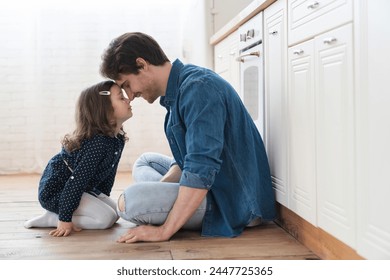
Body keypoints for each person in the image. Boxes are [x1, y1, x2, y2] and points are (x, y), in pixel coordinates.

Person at [99, 32, 276, 243]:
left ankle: (170, 210)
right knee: (145, 162)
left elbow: (200, 168)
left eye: (127, 84)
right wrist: (158, 191)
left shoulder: (198, 89)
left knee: (129, 202)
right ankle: (169, 203)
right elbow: (186, 162)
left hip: (231, 200)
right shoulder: (180, 89)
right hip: (215, 183)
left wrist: (163, 231)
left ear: (142, 64)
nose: (130, 95)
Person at [24, 80, 133, 237]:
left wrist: (101, 196)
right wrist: (65, 217)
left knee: (115, 213)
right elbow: (76, 180)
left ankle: (66, 212)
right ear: (105, 109)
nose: (128, 100)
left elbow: (109, 171)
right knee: (105, 219)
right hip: (57, 191)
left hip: (82, 190)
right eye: (121, 98)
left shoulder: (117, 138)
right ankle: (53, 218)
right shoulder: (98, 142)